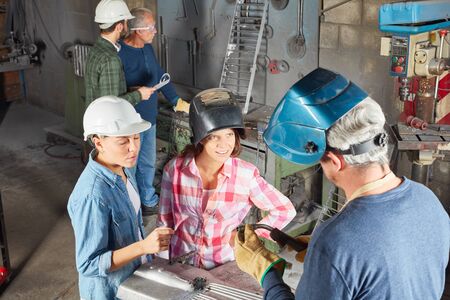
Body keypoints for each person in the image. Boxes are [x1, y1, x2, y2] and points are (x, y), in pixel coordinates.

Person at [234, 68, 450, 299]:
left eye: (320, 163)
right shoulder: (427, 199)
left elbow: (354, 250)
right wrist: (323, 259)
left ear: (336, 162)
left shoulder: (335, 241)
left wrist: (267, 273)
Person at [157, 88, 297, 270]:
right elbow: (164, 222)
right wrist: (160, 265)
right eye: (214, 136)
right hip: (180, 263)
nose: (224, 145)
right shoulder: (175, 170)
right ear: (200, 137)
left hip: (223, 266)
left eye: (229, 134)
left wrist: (246, 235)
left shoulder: (245, 175)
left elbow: (284, 209)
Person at [67, 96, 174, 300]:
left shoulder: (125, 167)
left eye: (136, 137)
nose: (133, 148)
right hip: (109, 292)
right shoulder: (92, 195)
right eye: (123, 141)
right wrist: (143, 247)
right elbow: (88, 265)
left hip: (133, 278)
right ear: (99, 142)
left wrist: (147, 251)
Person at [118, 7, 190, 214]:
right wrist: (132, 91)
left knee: (147, 162)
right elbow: (115, 90)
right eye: (151, 27)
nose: (155, 31)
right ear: (138, 30)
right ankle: (130, 205)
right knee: (129, 165)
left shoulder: (147, 48)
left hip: (149, 117)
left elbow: (158, 74)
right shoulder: (120, 54)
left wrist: (175, 99)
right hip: (130, 120)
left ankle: (148, 200)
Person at [84, 0, 155, 106]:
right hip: (108, 122)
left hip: (95, 118)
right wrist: (139, 95)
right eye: (126, 22)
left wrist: (130, 90)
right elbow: (111, 105)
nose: (128, 25)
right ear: (119, 27)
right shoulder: (111, 59)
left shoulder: (96, 49)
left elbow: (102, 91)